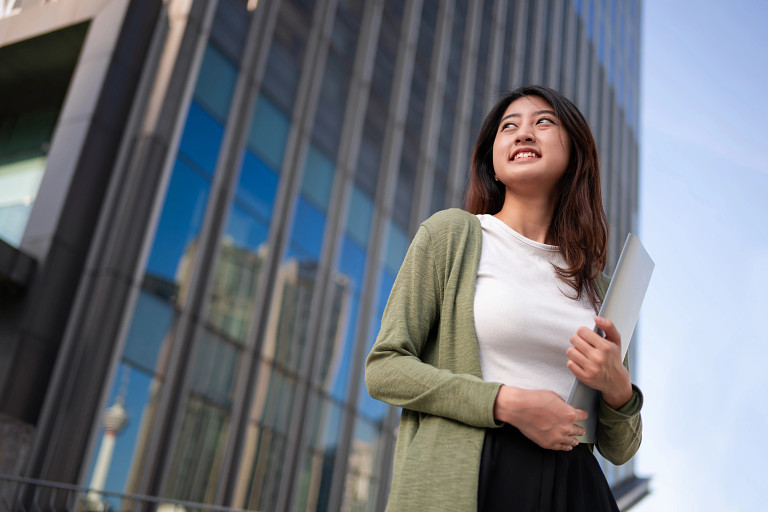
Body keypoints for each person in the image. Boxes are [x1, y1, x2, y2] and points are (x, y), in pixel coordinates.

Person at [365, 85, 643, 512]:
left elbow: (620, 449)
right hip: (476, 476)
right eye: (508, 127)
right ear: (492, 162)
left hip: (575, 488)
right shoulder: (452, 236)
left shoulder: (599, 290)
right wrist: (504, 402)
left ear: (575, 155)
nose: (523, 133)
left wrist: (618, 388)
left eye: (543, 122)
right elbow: (384, 368)